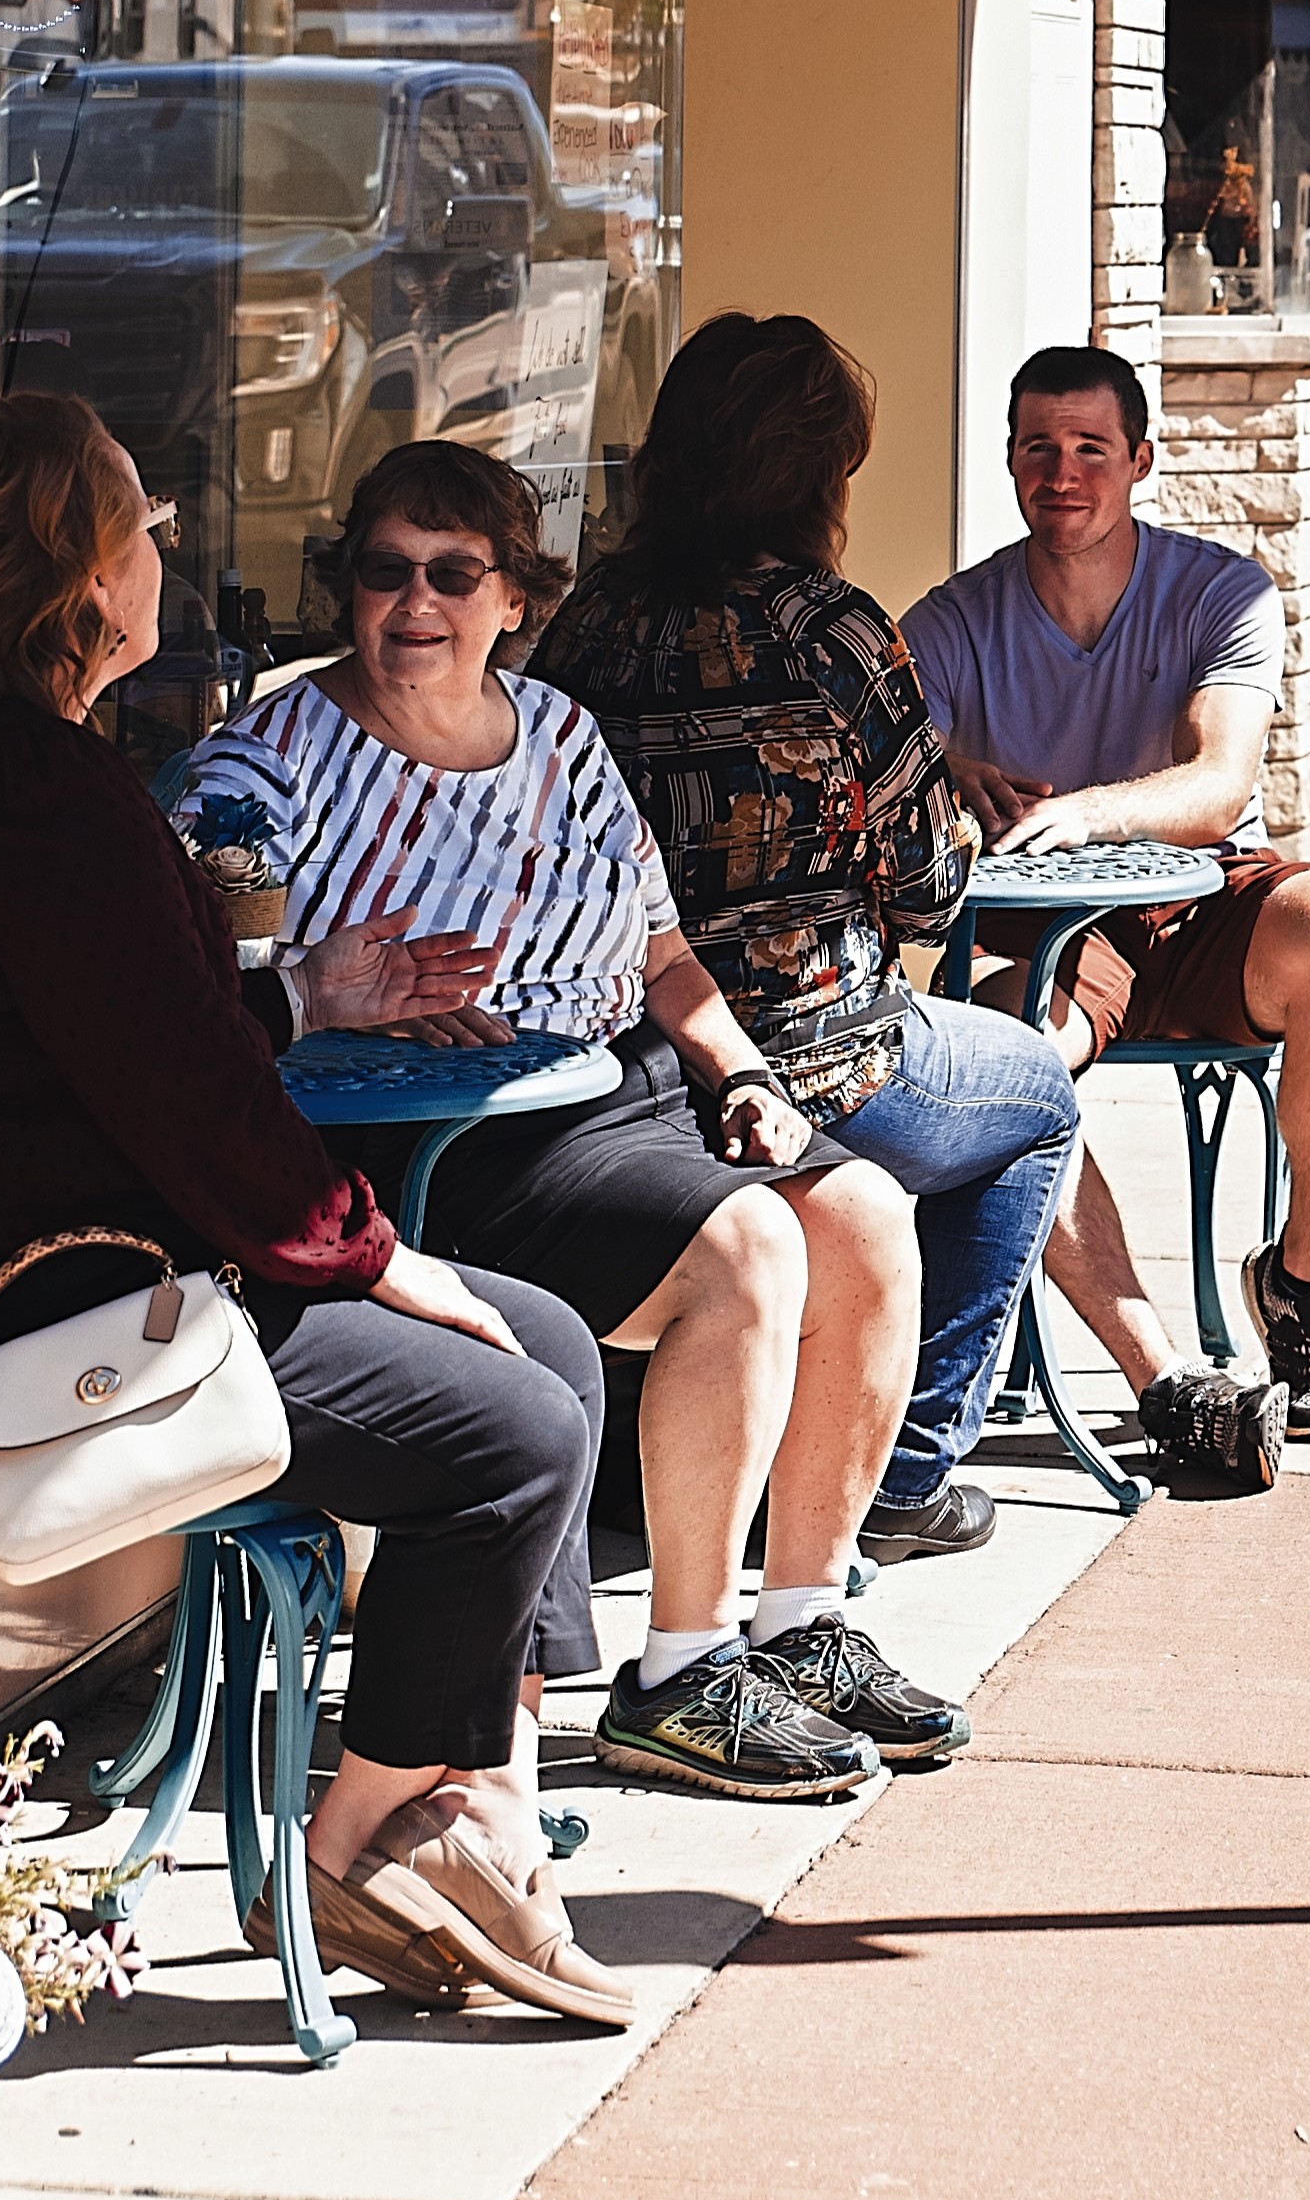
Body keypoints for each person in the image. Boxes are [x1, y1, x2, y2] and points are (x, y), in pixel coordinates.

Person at [0, 389, 633, 2030]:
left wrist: (301, 1001)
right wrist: (378, 1255)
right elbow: (186, 1102)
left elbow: (137, 1047)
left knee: (547, 1336)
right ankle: (359, 1835)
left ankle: (460, 1805)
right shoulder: (39, 800)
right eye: (137, 526)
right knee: (521, 1425)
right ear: (70, 577)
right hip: (90, 1327)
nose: (157, 555)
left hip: (100, 1269)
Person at [175, 437, 972, 1801]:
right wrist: (322, 987)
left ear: (514, 601)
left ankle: (802, 1624)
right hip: (434, 1144)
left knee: (865, 1218)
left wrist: (740, 1076)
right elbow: (199, 990)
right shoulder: (266, 762)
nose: (412, 603)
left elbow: (661, 954)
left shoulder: (559, 735)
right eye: (382, 572)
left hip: (620, 1089)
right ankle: (680, 1667)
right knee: (748, 1258)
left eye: (451, 574)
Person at [531, 315, 1084, 1562]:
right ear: (813, 470)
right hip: (819, 1050)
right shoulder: (829, 627)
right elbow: (934, 895)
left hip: (633, 1057)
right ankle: (904, 1469)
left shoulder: (590, 621)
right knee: (1036, 1092)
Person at [902, 345, 1310, 1455]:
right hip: (1047, 929)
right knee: (1004, 1055)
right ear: (1007, 460)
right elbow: (888, 764)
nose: (1062, 473)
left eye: (1090, 448)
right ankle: (1163, 1379)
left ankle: (1301, 1285)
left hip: (1205, 899)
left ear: (1140, 459)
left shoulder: (1219, 591)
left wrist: (1088, 807)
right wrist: (946, 771)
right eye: (1038, 447)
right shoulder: (948, 620)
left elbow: (1219, 784)